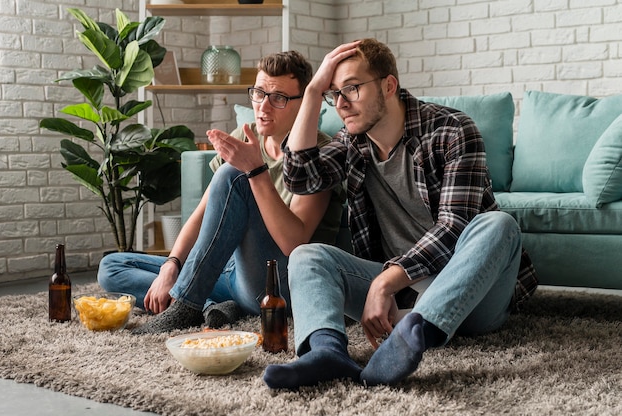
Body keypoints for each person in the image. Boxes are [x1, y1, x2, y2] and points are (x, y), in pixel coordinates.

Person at [263, 39, 538, 389]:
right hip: (401, 298)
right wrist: (314, 91)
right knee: (307, 256)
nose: (342, 104)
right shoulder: (352, 143)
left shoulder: (452, 131)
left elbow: (455, 227)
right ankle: (326, 352)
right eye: (335, 94)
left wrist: (385, 281)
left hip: (469, 293)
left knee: (499, 225)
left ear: (388, 86)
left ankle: (411, 335)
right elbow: (300, 178)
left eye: (351, 88)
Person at [97, 50, 344, 334]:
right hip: (230, 273)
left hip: (279, 283)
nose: (263, 106)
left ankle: (187, 305)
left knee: (232, 173)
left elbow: (294, 242)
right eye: (258, 93)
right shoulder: (247, 134)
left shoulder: (320, 154)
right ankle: (213, 306)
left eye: (278, 98)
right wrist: (171, 265)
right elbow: (203, 215)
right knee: (112, 266)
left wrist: (254, 170)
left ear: (302, 104)